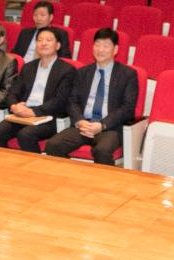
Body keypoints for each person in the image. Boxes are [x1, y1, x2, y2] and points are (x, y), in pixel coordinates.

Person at [45, 28, 139, 164]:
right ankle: (70, 178)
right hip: (84, 125)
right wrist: (80, 121)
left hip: (109, 128)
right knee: (53, 145)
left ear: (115, 49)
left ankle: (103, 184)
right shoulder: (83, 72)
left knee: (101, 150)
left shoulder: (128, 74)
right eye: (97, 44)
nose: (100, 49)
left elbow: (127, 108)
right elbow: (72, 101)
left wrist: (102, 125)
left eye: (106, 46)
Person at [0, 27, 77, 152]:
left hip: (48, 117)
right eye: (40, 40)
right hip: (22, 114)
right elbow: (13, 92)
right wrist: (14, 106)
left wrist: (34, 112)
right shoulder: (28, 67)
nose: (43, 43)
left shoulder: (67, 70)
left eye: (48, 40)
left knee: (26, 135)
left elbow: (60, 101)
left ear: (57, 45)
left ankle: (36, 168)